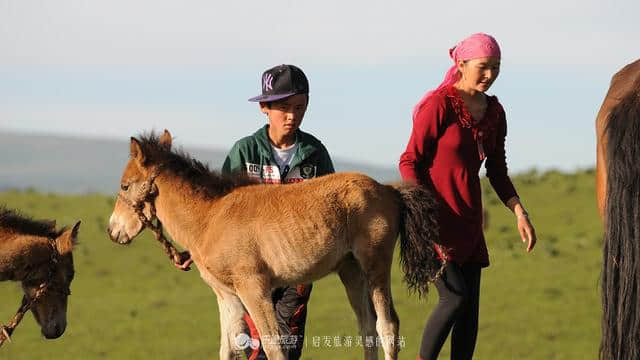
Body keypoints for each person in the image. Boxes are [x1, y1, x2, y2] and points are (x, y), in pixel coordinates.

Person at [398, 33, 537, 360]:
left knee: (469, 315)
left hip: (469, 221)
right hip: (432, 223)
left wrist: (520, 212)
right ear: (461, 65)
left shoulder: (495, 112)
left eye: (496, 67)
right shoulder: (440, 104)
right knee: (454, 298)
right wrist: (421, 214)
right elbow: (409, 160)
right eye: (483, 67)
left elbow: (498, 171)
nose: (490, 75)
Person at [222, 64, 335, 359]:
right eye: (283, 107)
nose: (292, 115)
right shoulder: (244, 152)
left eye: (300, 107)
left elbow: (332, 207)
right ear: (264, 107)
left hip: (298, 265)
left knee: (287, 346)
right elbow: (219, 212)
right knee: (252, 346)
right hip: (250, 267)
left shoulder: (316, 154)